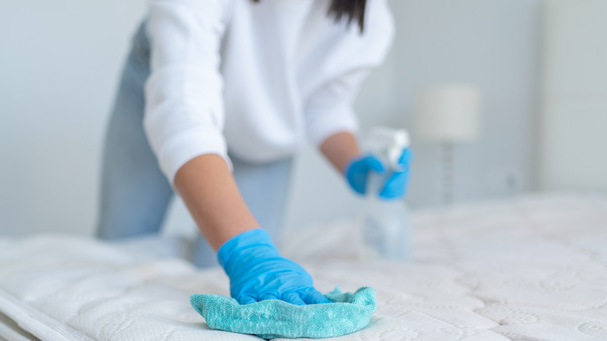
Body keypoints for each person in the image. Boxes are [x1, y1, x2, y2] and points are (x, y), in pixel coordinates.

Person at [96, 0, 411, 306]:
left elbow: (324, 105)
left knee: (216, 274)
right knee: (119, 251)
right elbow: (183, 110)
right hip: (164, 86)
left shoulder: (370, 20)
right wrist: (247, 251)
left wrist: (354, 164)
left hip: (260, 135)